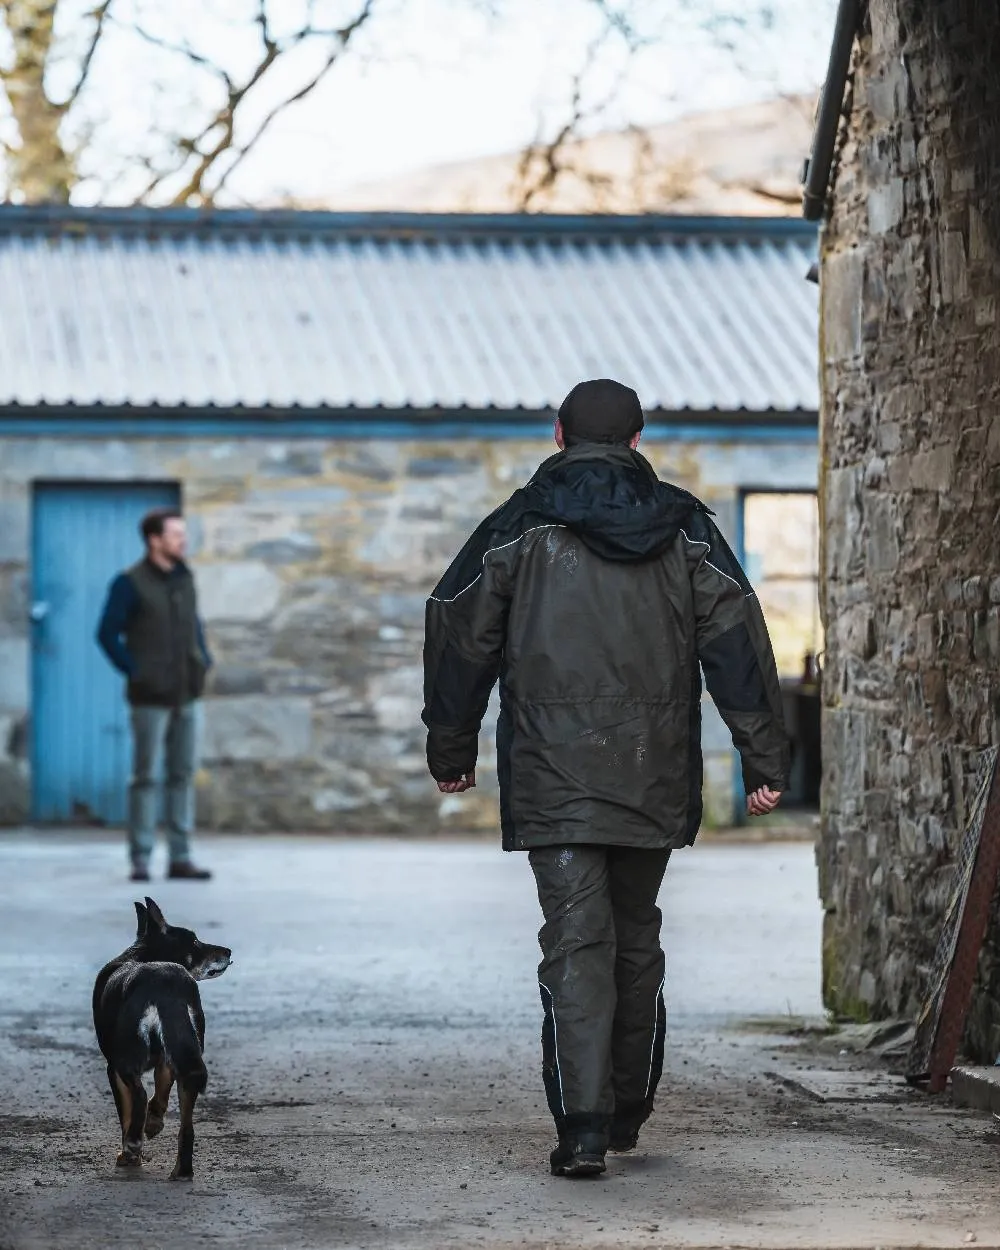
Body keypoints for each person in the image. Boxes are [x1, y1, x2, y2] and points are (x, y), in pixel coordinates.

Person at [421, 379, 788, 1178]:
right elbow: (737, 638)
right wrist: (764, 759)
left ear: (558, 435)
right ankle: (625, 1112)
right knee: (634, 935)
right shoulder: (685, 526)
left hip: (554, 776)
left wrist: (451, 750)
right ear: (637, 437)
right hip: (649, 771)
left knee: (577, 942)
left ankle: (584, 1128)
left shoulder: (517, 527)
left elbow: (458, 628)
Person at [97, 508, 213, 883]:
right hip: (149, 697)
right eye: (176, 535)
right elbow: (106, 634)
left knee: (182, 774)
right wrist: (137, 672)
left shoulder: (185, 578)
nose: (184, 540)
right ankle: (141, 858)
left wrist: (203, 659)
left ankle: (180, 856)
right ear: (155, 540)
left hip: (187, 692)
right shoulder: (129, 583)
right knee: (145, 777)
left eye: (183, 534)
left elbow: (194, 625)